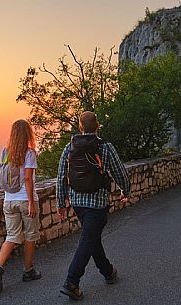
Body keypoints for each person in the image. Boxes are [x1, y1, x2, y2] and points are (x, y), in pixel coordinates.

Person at [56, 111, 131, 300]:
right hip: (97, 203)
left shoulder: (69, 147)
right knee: (89, 239)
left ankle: (108, 272)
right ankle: (71, 282)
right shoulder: (105, 147)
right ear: (97, 126)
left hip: (78, 203)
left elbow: (60, 177)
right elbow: (120, 172)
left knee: (92, 237)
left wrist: (61, 203)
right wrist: (126, 191)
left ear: (80, 127)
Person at [0, 119, 42, 292]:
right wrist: (31, 203)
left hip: (9, 200)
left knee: (12, 236)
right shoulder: (29, 153)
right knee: (30, 236)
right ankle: (28, 271)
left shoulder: (5, 152)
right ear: (28, 134)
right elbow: (27, 179)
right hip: (24, 200)